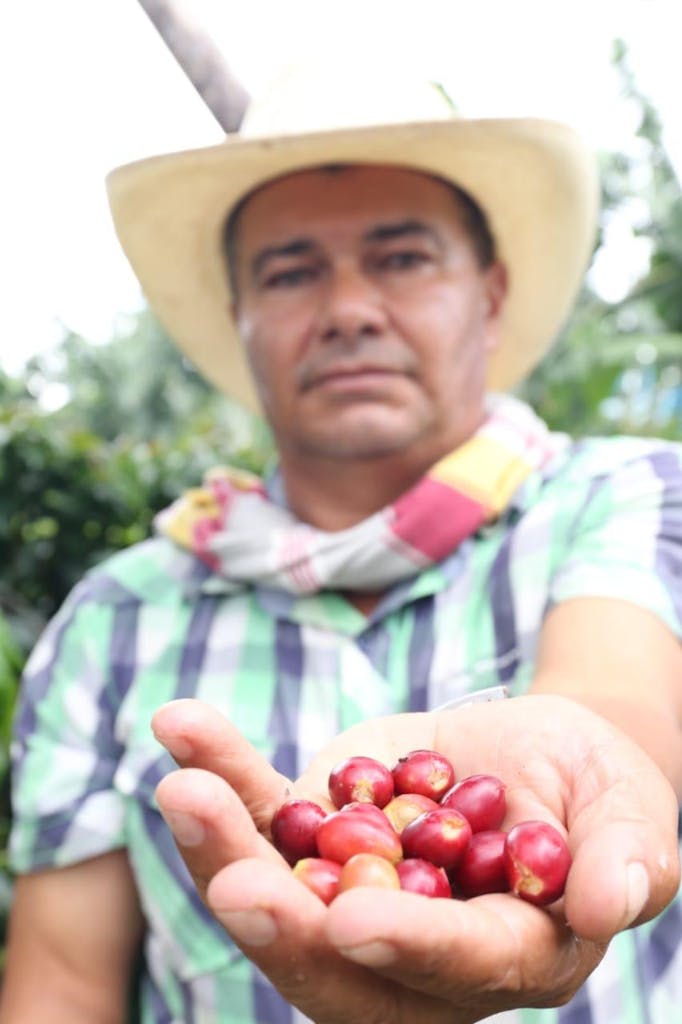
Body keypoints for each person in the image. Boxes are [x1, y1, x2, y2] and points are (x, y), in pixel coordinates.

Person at [1, 65, 681, 1024]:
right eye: (291, 272)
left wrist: (588, 766)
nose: (351, 307)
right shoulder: (113, 621)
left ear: (488, 294)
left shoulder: (628, 494)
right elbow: (61, 991)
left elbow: (617, 689)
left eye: (402, 258)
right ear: (240, 322)